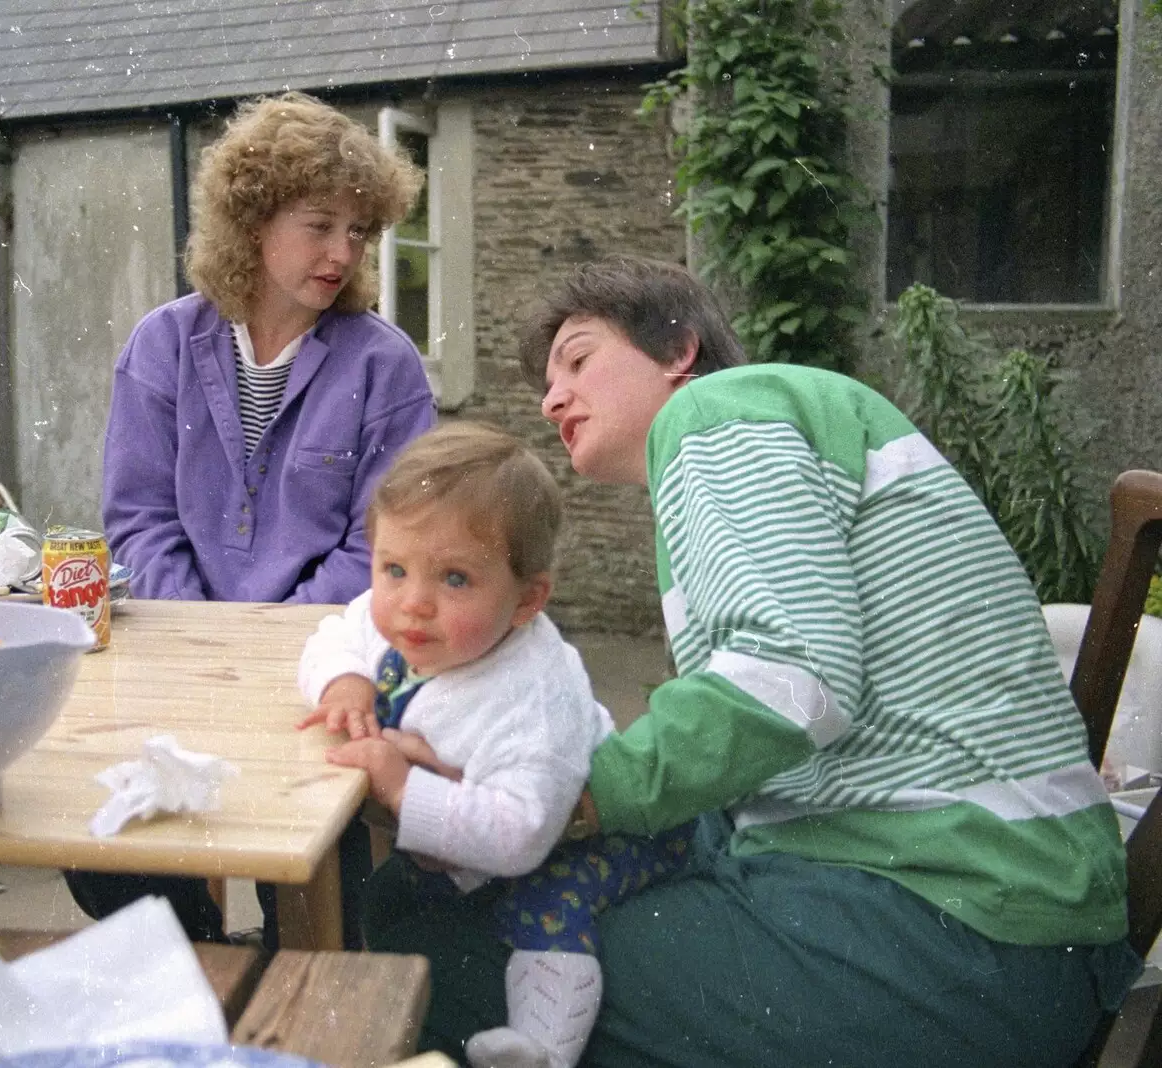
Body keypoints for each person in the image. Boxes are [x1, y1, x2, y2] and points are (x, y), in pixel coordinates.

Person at [360, 257, 1142, 1068]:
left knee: (426, 945)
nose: (553, 396)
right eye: (547, 383)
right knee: (493, 907)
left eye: (580, 359)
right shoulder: (760, 437)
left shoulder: (715, 415)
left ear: (680, 351)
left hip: (954, 928)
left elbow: (790, 683)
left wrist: (569, 799)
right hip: (977, 914)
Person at [72, 90, 436, 944]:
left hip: (323, 673)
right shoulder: (161, 345)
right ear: (252, 222)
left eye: (359, 231)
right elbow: (139, 520)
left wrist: (278, 648)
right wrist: (212, 642)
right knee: (104, 859)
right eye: (320, 225)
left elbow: (381, 550)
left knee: (314, 893)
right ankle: (201, 961)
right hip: (178, 663)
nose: (343, 252)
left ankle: (284, 984)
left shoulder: (387, 368)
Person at [299, 422, 694, 1068]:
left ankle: (539, 1045)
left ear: (526, 601)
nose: (412, 604)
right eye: (393, 568)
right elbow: (335, 631)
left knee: (549, 910)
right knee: (390, 893)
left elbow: (522, 834)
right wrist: (343, 682)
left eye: (455, 579)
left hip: (591, 833)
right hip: (483, 826)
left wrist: (402, 788)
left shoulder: (534, 696)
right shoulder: (408, 619)